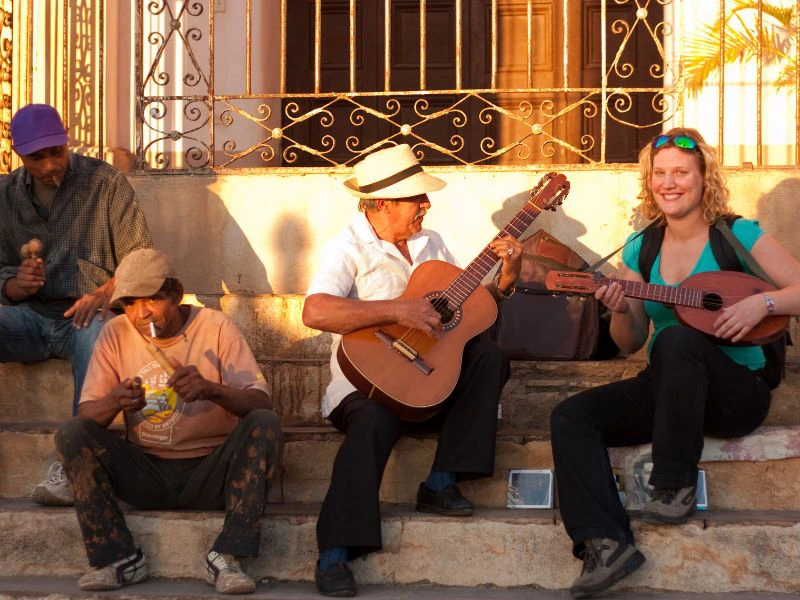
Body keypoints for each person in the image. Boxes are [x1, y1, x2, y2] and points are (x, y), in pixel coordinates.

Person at [549, 127, 800, 598]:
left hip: (737, 392)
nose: (669, 182)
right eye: (659, 174)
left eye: (681, 173)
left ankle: (673, 486)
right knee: (571, 417)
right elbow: (629, 343)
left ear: (704, 178)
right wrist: (620, 309)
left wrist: (759, 306)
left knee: (677, 341)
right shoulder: (640, 247)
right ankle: (605, 543)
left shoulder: (736, 234)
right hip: (670, 389)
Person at [302, 143, 522, 597]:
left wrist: (506, 278)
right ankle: (335, 554)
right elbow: (316, 311)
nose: (426, 204)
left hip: (429, 381)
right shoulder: (347, 247)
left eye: (423, 197)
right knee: (372, 423)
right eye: (415, 198)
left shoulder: (431, 242)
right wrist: (397, 309)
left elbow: (466, 311)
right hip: (367, 386)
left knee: (490, 356)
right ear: (382, 202)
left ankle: (441, 482)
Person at [54, 248, 283, 593]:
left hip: (211, 472)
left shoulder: (215, 326)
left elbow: (260, 401)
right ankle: (118, 558)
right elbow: (86, 417)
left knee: (265, 423)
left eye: (150, 301)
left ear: (175, 294)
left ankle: (228, 555)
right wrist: (114, 401)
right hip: (146, 470)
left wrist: (211, 390)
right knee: (73, 433)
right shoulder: (115, 333)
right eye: (129, 304)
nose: (140, 313)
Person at [0, 103, 153, 505]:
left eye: (56, 151)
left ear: (67, 140)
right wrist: (12, 286)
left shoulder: (107, 183)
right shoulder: (3, 195)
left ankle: (75, 466)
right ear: (19, 155)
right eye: (38, 157)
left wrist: (104, 292)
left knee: (99, 333)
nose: (50, 163)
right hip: (28, 319)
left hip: (88, 318)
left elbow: (140, 258)